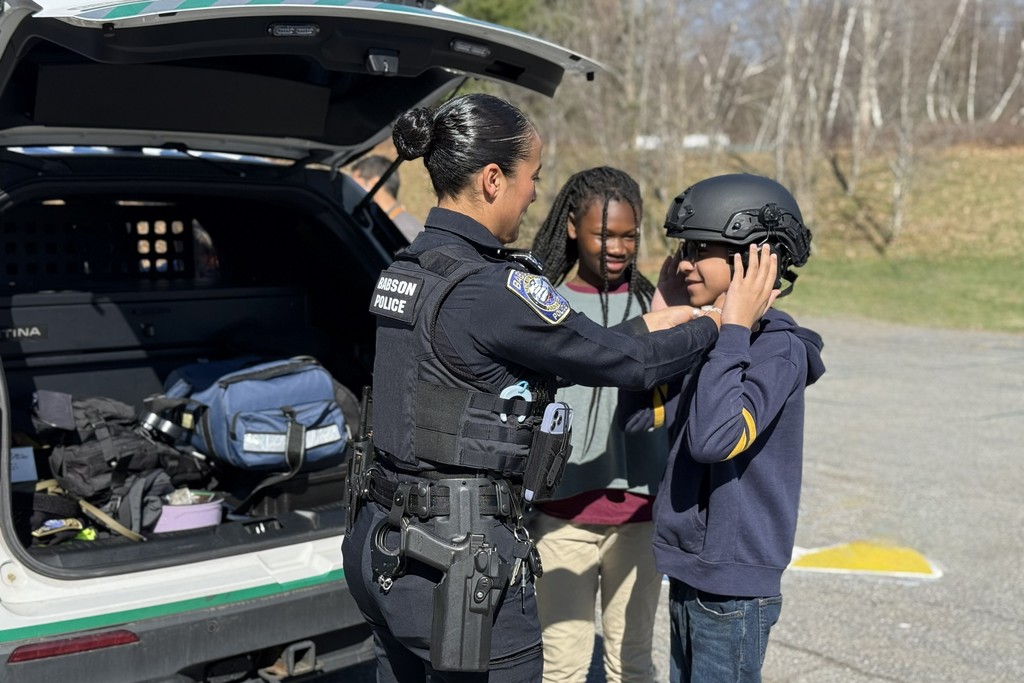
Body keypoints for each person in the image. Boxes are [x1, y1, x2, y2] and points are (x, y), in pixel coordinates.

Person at [341, 94, 779, 683]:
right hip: (457, 556)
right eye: (532, 178)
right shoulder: (491, 288)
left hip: (383, 539)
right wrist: (721, 323)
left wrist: (650, 323)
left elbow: (536, 353)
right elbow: (625, 365)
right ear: (493, 179)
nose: (534, 195)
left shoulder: (412, 268)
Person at [621, 173, 825, 683]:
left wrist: (732, 329)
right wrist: (664, 323)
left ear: (754, 258)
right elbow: (639, 418)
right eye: (683, 248)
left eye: (699, 248)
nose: (684, 262)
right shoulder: (710, 337)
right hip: (691, 569)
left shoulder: (779, 350)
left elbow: (715, 440)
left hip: (733, 585)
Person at [527, 166, 667, 683]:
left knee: (631, 665)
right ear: (571, 228)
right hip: (562, 518)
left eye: (629, 235)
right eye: (604, 234)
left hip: (639, 517)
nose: (618, 246)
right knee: (560, 668)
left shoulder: (656, 304)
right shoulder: (543, 304)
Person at [351, 154, 425, 241]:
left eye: (355, 185)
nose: (351, 191)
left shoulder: (406, 231)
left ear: (374, 183)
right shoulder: (380, 222)